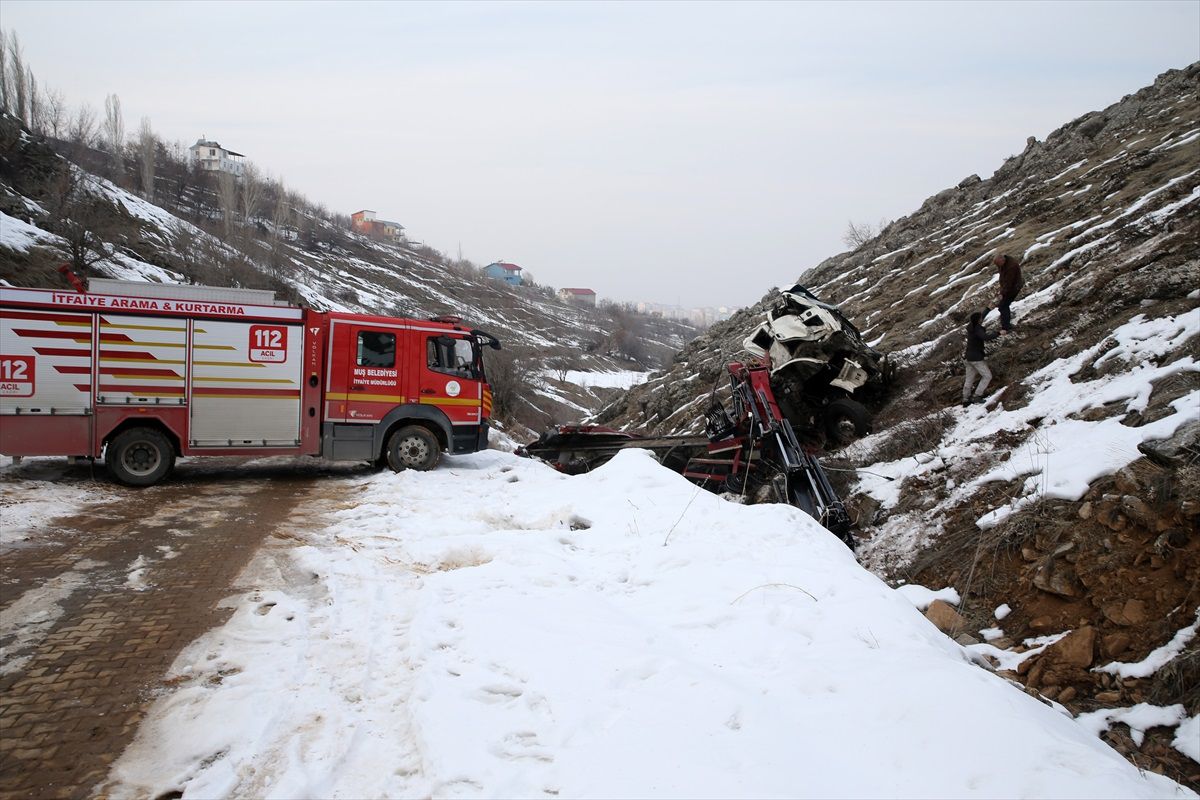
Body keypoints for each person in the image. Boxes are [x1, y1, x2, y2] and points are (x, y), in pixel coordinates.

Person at [963, 310, 999, 407]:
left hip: (968, 357)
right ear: (979, 320)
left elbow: (978, 317)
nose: (982, 319)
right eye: (981, 318)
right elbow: (985, 337)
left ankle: (966, 399)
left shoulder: (971, 326)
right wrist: (999, 333)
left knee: (969, 379)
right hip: (976, 358)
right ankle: (977, 396)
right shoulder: (978, 329)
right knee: (987, 376)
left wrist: (988, 308)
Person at [993, 252, 1024, 334]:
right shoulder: (1004, 263)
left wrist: (1002, 293)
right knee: (1003, 306)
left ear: (1002, 260)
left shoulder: (1011, 267)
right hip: (1009, 288)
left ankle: (1006, 327)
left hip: (1013, 289)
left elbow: (1009, 283)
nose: (998, 267)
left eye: (998, 264)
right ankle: (1006, 325)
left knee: (1003, 306)